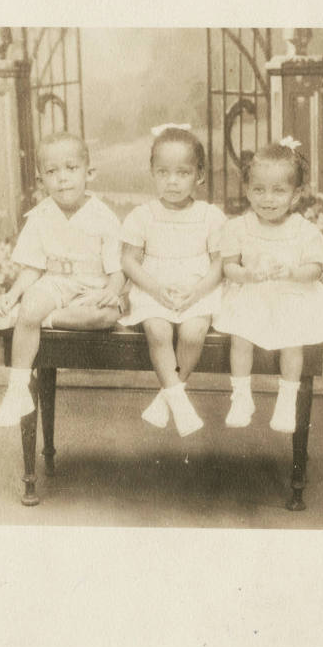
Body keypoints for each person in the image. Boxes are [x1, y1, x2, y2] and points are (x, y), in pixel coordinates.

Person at [0, 131, 124, 426]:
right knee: (31, 301)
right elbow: (33, 268)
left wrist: (112, 291)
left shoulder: (104, 217)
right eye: (52, 172)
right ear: (41, 180)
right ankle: (17, 389)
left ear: (89, 172)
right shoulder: (40, 217)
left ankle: (43, 318)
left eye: (71, 168)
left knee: (107, 315)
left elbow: (117, 271)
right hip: (55, 284)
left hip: (92, 288)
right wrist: (13, 294)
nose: (62, 178)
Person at [214, 137, 323, 433]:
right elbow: (229, 266)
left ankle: (287, 399)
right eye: (258, 190)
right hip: (252, 292)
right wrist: (247, 275)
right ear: (247, 190)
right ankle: (242, 396)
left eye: (278, 191)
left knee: (292, 337)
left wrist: (291, 271)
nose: (267, 199)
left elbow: (314, 269)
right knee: (240, 335)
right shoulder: (239, 227)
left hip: (291, 294)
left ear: (295, 195)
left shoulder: (304, 230)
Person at [120, 125, 226, 437]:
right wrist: (155, 289)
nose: (172, 181)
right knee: (157, 329)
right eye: (163, 172)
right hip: (154, 287)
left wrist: (196, 292)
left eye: (183, 172)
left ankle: (167, 398)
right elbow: (128, 259)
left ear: (199, 175)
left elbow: (220, 262)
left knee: (194, 333)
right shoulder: (143, 215)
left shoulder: (210, 215)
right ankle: (179, 400)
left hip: (198, 287)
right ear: (152, 173)